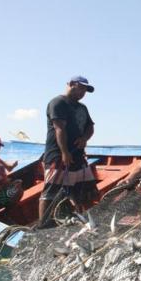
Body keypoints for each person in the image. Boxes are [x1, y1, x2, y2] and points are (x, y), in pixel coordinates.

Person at [38, 76, 98, 225]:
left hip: (78, 157)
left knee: (88, 191)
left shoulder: (82, 108)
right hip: (58, 157)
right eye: (81, 88)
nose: (83, 92)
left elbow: (90, 127)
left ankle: (87, 222)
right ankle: (43, 226)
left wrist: (84, 138)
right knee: (51, 193)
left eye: (85, 90)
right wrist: (64, 152)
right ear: (71, 84)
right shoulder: (58, 103)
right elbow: (59, 128)